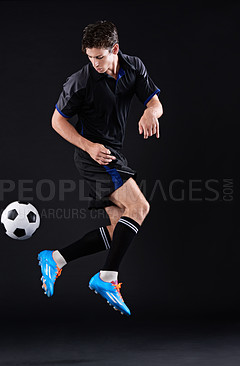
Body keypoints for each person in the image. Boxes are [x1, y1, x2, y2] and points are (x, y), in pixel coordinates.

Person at [38, 20, 163, 316]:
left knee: (116, 226)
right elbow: (57, 121)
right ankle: (107, 278)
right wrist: (88, 146)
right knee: (140, 208)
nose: (94, 63)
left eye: (99, 56)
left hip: (112, 153)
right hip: (95, 155)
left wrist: (149, 111)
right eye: (90, 57)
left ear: (114, 49)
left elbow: (155, 102)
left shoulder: (133, 68)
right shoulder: (80, 82)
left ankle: (56, 258)